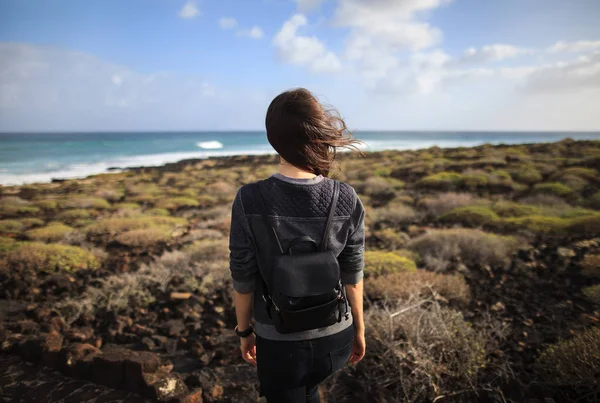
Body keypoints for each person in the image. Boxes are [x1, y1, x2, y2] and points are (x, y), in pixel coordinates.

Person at [228, 88, 367, 403]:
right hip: (336, 337)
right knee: (311, 390)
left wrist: (244, 332)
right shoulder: (346, 196)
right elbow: (353, 273)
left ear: (273, 137)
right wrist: (358, 329)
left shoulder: (248, 199)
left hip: (279, 343)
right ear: (317, 132)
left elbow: (243, 276)